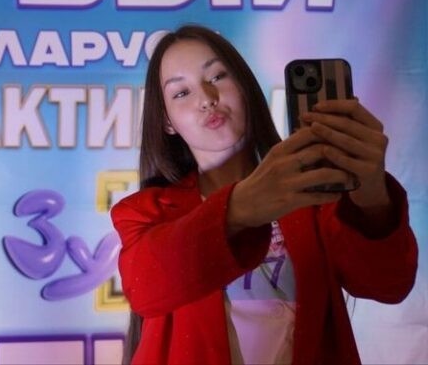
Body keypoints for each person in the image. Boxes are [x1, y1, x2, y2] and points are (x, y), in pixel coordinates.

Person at [110, 25, 418, 365]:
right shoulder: (145, 213)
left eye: (217, 76)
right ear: (167, 122)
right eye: (181, 93)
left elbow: (388, 284)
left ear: (246, 87)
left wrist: (372, 195)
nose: (207, 98)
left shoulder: (317, 194)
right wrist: (239, 208)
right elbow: (144, 289)